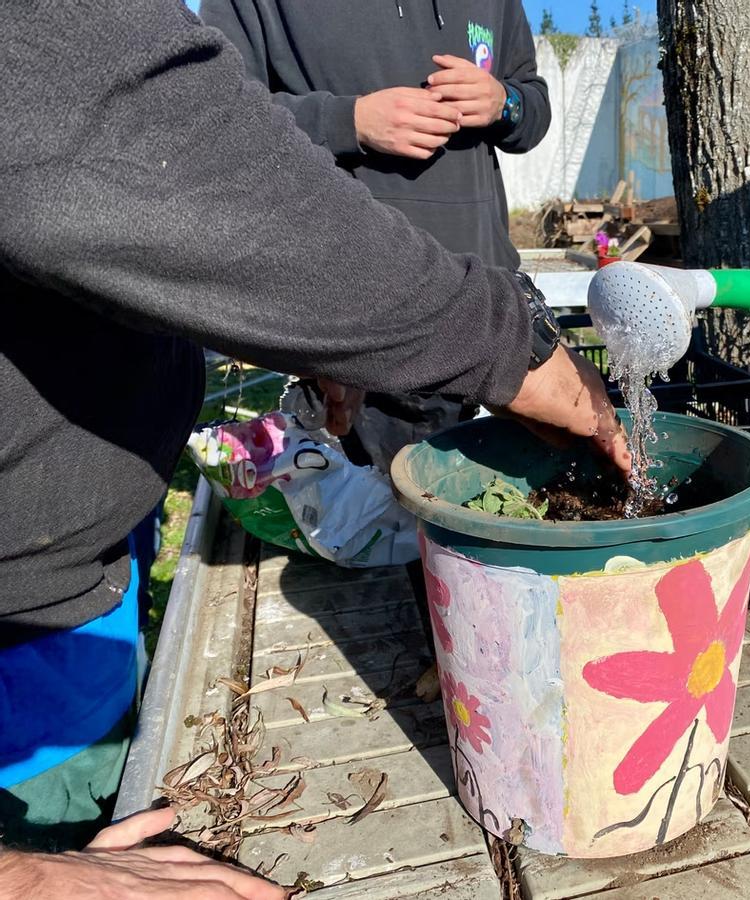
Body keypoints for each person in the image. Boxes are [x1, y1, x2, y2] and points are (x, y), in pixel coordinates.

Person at [0, 2, 627, 897]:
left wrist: (508, 108)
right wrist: (25, 878)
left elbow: (117, 173)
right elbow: (193, 144)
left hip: (81, 540)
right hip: (31, 595)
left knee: (95, 795)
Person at [201, 0, 551, 474]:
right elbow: (210, 114)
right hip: (356, 312)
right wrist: (350, 122)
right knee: (384, 520)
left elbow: (532, 110)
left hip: (485, 304)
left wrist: (502, 101)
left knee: (495, 505)